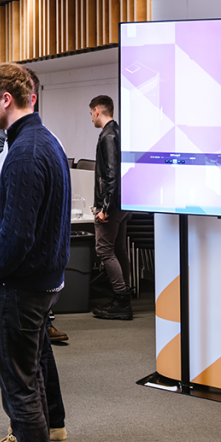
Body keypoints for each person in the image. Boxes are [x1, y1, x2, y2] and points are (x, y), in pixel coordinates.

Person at [0, 63, 71, 442]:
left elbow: (17, 230)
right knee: (28, 378)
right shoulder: (40, 140)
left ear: (7, 100)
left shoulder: (28, 151)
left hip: (19, 285)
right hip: (34, 282)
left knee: (20, 388)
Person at [90, 95, 132, 321]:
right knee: (119, 250)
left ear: (97, 110)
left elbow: (111, 175)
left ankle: (121, 299)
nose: (92, 119)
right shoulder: (119, 132)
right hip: (123, 203)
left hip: (112, 204)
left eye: (91, 114)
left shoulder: (107, 135)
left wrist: (104, 207)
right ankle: (124, 295)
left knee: (105, 251)